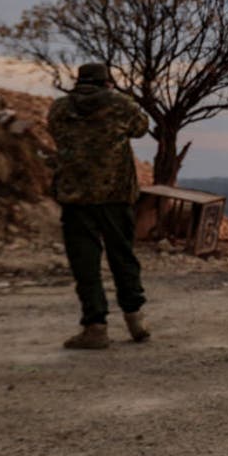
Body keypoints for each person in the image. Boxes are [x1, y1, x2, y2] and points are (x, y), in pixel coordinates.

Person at [47, 62, 151, 349]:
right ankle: (135, 318)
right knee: (122, 256)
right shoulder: (121, 105)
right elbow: (141, 128)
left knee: (85, 263)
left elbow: (56, 134)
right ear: (107, 82)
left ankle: (95, 326)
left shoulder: (59, 108)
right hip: (115, 195)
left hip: (75, 196)